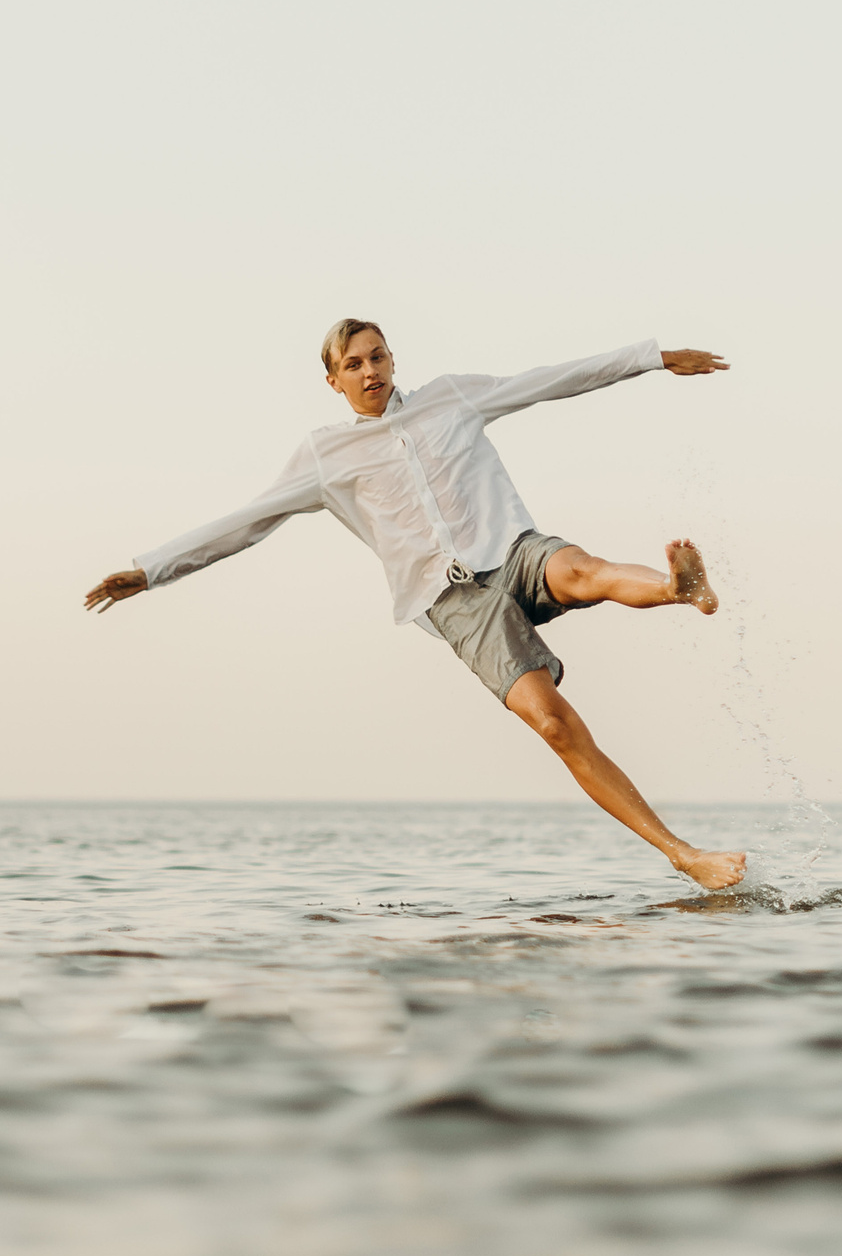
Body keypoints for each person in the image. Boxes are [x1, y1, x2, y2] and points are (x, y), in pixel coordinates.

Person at [84, 320, 747, 891]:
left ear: (393, 359)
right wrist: (151, 570)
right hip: (453, 598)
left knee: (580, 569)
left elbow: (550, 379)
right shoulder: (325, 454)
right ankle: (684, 855)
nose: (369, 370)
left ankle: (674, 588)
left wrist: (651, 357)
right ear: (334, 381)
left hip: (511, 546)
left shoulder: (450, 396)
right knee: (554, 725)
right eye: (353, 364)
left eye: (377, 356)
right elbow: (248, 520)